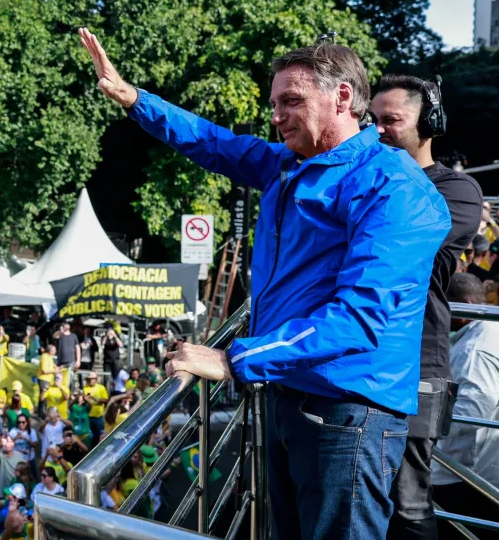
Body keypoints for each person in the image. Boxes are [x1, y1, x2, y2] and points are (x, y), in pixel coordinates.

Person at [82, 30, 450, 538]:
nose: (275, 116)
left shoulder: (395, 186)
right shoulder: (288, 163)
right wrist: (134, 99)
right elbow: (212, 142)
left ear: (342, 97)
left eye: (291, 101)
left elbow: (358, 318)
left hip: (348, 415)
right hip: (291, 398)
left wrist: (234, 359)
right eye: (274, 103)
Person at [371, 74, 484, 540]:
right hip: (370, 363)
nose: (377, 131)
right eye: (370, 120)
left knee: (409, 505)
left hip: (420, 365)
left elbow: (398, 245)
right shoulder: (369, 176)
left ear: (430, 124)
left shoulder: (458, 190)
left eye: (391, 120)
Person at [432, 272, 499, 539]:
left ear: (465, 306)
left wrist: (434, 463)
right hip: (494, 474)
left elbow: (467, 417)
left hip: (467, 478)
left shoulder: (476, 349)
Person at [81, 372, 109, 444]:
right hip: (88, 417)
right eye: (89, 379)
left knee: (99, 437)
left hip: (98, 417)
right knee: (89, 437)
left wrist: (96, 398)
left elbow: (106, 399)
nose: (90, 380)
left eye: (92, 379)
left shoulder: (101, 388)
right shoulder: (85, 388)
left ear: (96, 379)